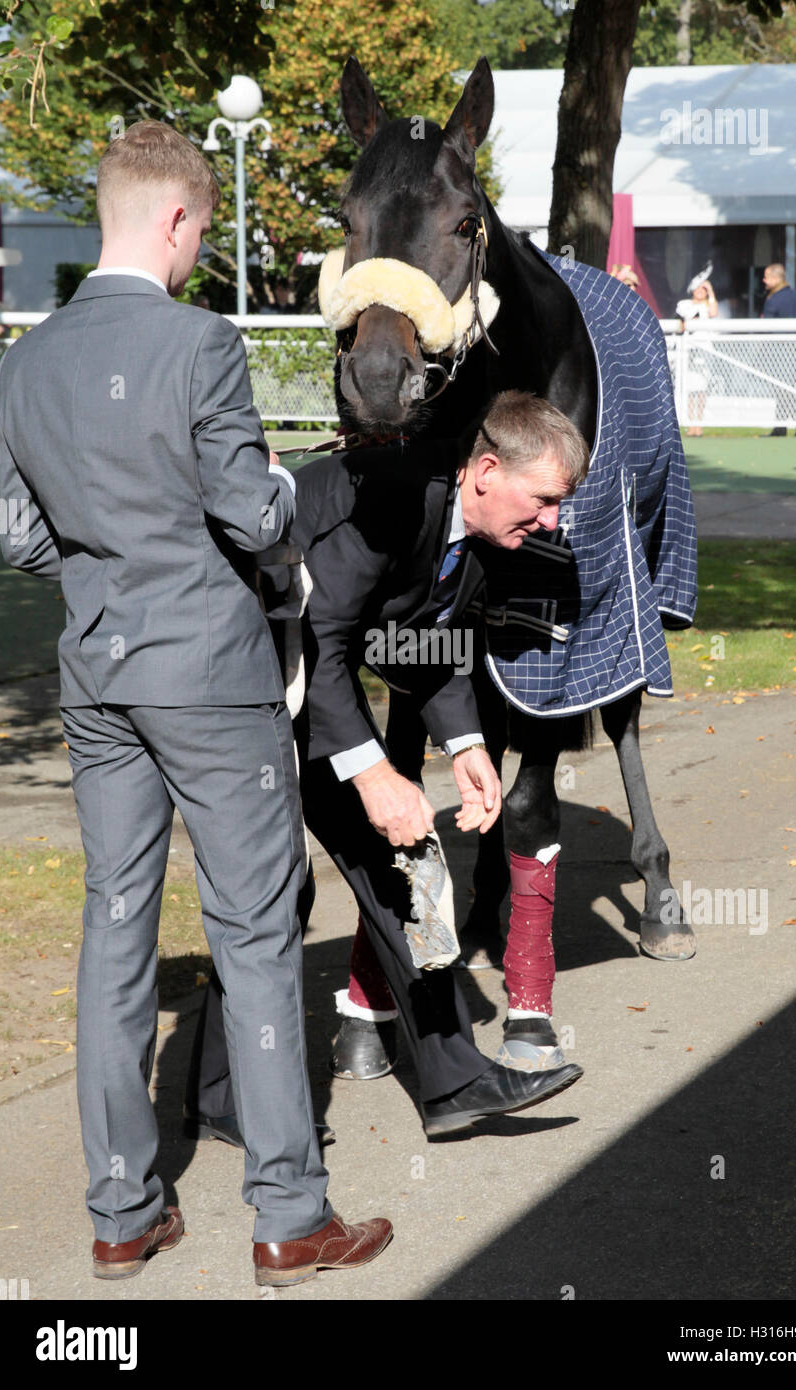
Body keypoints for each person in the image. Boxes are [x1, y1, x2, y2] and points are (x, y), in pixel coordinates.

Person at [0, 119, 392, 1289]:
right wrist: (273, 483)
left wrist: (111, 567)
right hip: (211, 679)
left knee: (114, 924)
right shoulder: (201, 344)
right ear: (174, 217)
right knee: (255, 930)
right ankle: (287, 1212)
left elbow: (22, 538)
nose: (197, 256)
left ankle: (121, 1210)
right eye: (202, 234)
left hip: (97, 674)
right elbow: (256, 519)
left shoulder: (23, 359)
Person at [188, 390, 589, 1139]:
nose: (550, 523)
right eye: (542, 500)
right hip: (237, 674)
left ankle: (454, 1081)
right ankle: (219, 1098)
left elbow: (424, 642)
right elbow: (322, 639)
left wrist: (466, 746)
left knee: (404, 865)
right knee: (273, 891)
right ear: (486, 470)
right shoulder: (398, 495)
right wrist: (374, 773)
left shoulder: (480, 527)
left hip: (303, 675)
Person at [761, 264, 796, 437]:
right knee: (789, 389)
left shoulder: (773, 300)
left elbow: (768, 328)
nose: (764, 280)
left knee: (781, 389)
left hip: (779, 351)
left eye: (766, 276)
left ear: (776, 278)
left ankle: (784, 426)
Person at [676, 269, 718, 437]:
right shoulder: (684, 304)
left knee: (701, 389)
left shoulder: (708, 306)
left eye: (704, 289)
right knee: (689, 387)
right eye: (699, 288)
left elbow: (714, 312)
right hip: (688, 350)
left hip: (704, 350)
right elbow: (681, 320)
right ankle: (690, 422)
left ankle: (698, 423)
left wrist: (711, 291)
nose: (701, 292)